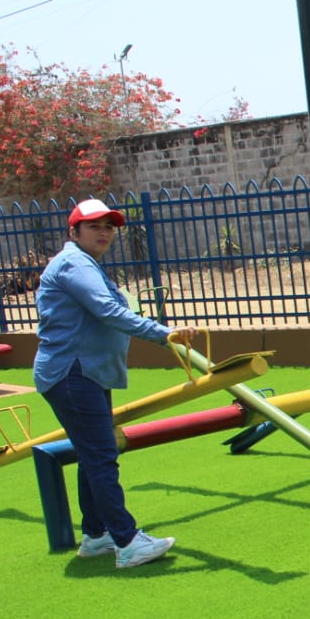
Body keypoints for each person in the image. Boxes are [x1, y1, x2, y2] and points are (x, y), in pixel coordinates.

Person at [34, 198, 198, 569]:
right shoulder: (75, 264)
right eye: (94, 226)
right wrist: (163, 334)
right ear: (73, 231)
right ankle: (127, 541)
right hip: (73, 373)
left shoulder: (85, 264)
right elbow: (109, 311)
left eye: (109, 227)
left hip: (84, 373)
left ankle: (96, 535)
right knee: (101, 456)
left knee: (92, 454)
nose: (104, 232)